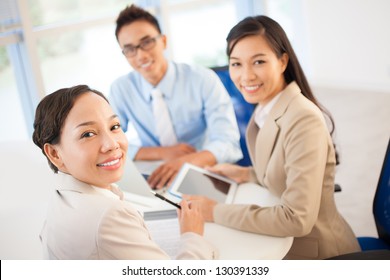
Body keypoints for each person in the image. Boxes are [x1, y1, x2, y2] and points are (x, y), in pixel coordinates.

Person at [184, 16, 361, 260]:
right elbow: (285, 174)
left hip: (317, 251)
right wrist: (246, 174)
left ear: (282, 61)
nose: (246, 76)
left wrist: (215, 211)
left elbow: (296, 219)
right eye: (236, 64)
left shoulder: (303, 119)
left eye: (258, 62)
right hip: (288, 242)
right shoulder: (267, 107)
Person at [32, 85, 217, 260]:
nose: (112, 144)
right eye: (88, 134)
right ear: (55, 153)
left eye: (114, 127)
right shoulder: (110, 216)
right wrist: (192, 235)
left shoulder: (61, 197)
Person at [109, 4, 242, 189]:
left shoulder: (202, 79)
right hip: (154, 174)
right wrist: (161, 153)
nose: (141, 55)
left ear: (163, 41)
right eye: (130, 49)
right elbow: (109, 142)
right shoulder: (121, 89)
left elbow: (228, 142)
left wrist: (186, 161)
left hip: (204, 168)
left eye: (147, 42)